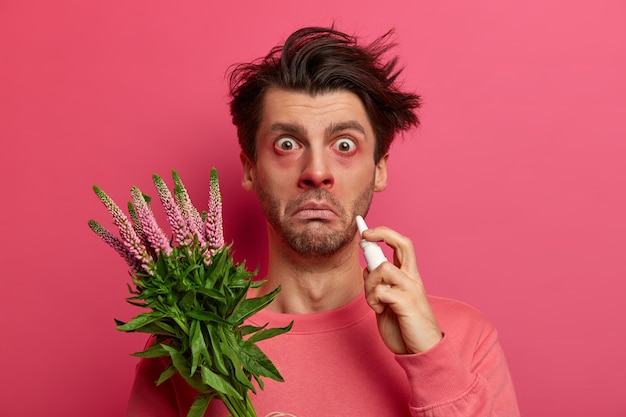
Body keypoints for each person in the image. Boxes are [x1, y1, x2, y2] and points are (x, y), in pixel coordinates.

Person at [126, 26, 520, 417]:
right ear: (250, 169)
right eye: (287, 144)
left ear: (379, 169)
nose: (316, 171)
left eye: (344, 145)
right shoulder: (188, 342)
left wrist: (429, 358)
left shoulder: (463, 337)